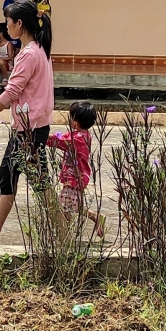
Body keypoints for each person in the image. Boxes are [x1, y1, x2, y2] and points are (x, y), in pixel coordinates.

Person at [0, 0, 55, 245]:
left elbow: (11, 93)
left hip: (28, 129)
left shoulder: (28, 55)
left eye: (9, 22)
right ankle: (62, 232)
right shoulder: (41, 50)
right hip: (35, 126)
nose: (7, 26)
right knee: (33, 181)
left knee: (12, 177)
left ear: (19, 24)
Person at [48, 101, 106, 238]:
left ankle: (66, 233)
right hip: (74, 177)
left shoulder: (79, 139)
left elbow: (59, 142)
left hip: (75, 178)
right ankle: (92, 219)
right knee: (71, 205)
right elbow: (61, 138)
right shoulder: (81, 135)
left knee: (65, 206)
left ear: (76, 122)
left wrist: (40, 137)